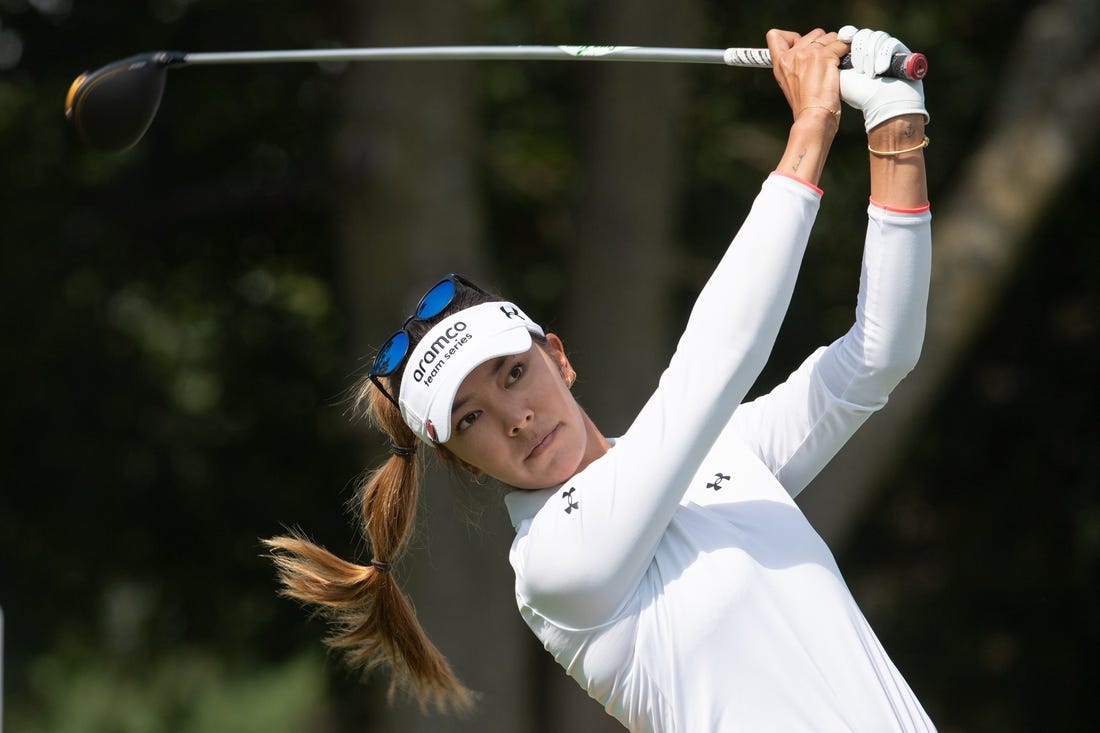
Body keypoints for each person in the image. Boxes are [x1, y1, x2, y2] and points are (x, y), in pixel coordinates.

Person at [264, 24, 936, 731]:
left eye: (514, 373)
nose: (513, 416)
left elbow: (875, 357)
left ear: (558, 356)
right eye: (469, 419)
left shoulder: (715, 458)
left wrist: (895, 121)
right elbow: (713, 365)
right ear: (458, 462)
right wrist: (813, 125)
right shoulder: (555, 567)